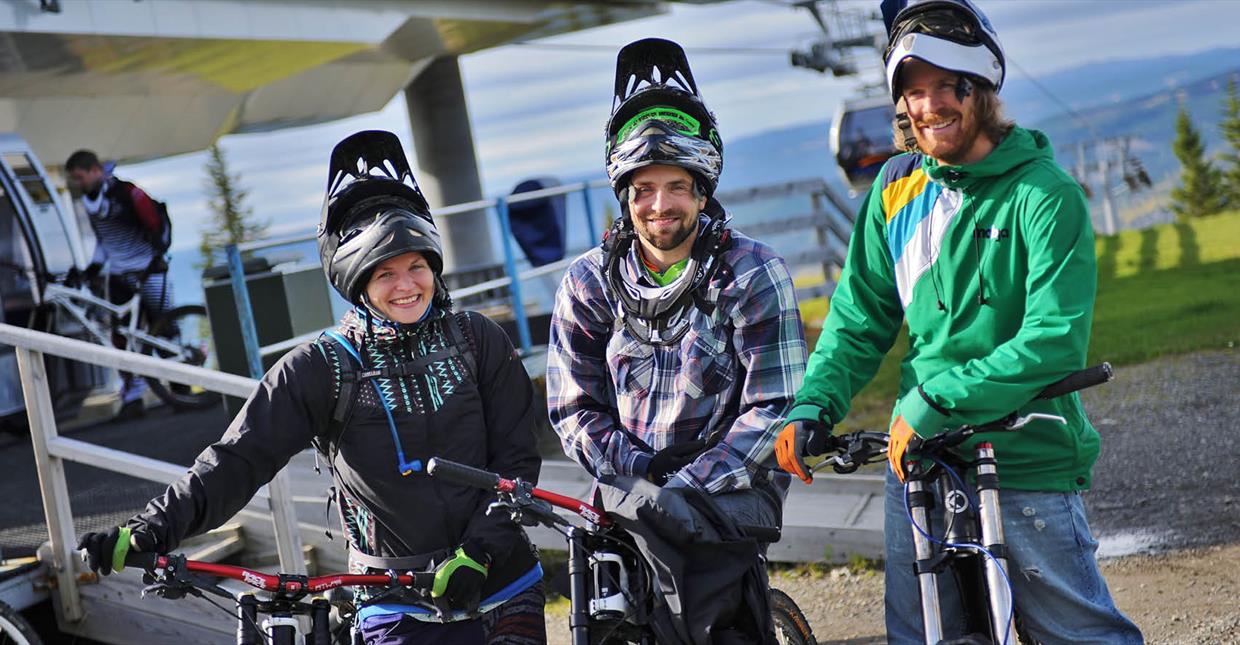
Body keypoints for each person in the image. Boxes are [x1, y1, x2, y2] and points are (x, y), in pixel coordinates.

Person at [78, 130, 547, 644]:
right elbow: (238, 458)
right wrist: (149, 529)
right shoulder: (322, 366)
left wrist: (479, 551)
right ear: (358, 282)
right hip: (394, 604)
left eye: (417, 266)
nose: (407, 285)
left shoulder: (478, 338)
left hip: (505, 589)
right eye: (385, 273)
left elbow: (516, 461)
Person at [774, 1, 1143, 643]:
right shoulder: (895, 189)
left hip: (1024, 452)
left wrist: (933, 399)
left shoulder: (1043, 194)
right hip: (917, 459)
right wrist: (813, 405)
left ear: (982, 89)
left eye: (948, 86)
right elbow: (859, 318)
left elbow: (1054, 340)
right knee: (924, 638)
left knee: (1079, 635)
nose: (929, 105)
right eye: (913, 92)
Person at [546, 38, 806, 642]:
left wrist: (681, 490)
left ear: (702, 191)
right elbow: (572, 409)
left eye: (676, 188)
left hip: (731, 490)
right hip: (627, 493)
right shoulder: (587, 283)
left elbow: (774, 406)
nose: (659, 205)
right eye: (643, 190)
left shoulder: (751, 271)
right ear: (625, 198)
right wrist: (642, 477)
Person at [64, 149, 172, 416]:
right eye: (75, 180)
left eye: (81, 177)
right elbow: (103, 242)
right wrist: (90, 269)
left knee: (166, 329)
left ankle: (183, 389)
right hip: (119, 274)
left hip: (149, 269)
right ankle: (132, 397)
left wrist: (157, 256)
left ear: (95, 171)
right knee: (121, 336)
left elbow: (156, 226)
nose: (79, 184)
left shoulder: (129, 193)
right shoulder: (91, 203)